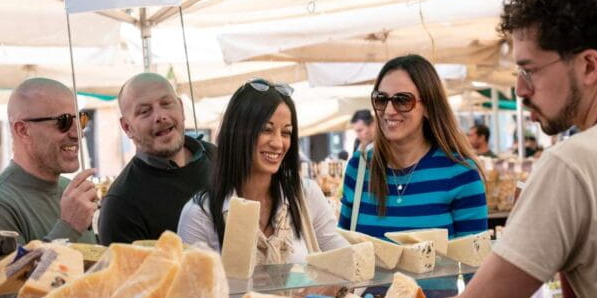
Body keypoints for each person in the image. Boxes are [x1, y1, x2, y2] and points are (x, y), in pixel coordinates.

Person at [304, 0, 597, 298]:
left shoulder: (569, 165)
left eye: (529, 70)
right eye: (380, 100)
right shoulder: (360, 166)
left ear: (589, 66)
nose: (520, 89)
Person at [178, 78, 348, 263]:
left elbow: (347, 261)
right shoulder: (200, 214)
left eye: (286, 133)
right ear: (237, 132)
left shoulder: (305, 195)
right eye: (266, 130)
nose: (277, 143)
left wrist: (328, 286)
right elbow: (194, 289)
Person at [339, 54, 488, 239]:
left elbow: (474, 261)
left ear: (427, 106)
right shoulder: (359, 167)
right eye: (381, 99)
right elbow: (343, 252)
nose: (389, 111)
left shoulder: (461, 174)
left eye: (402, 100)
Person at [0, 78, 97, 245]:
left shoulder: (71, 192)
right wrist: (68, 228)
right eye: (64, 121)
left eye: (81, 120)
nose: (78, 134)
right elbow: (12, 272)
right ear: (23, 130)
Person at [98, 73, 215, 245]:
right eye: (145, 111)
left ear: (181, 108)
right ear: (127, 127)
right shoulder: (121, 205)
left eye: (166, 104)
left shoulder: (217, 158)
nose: (160, 116)